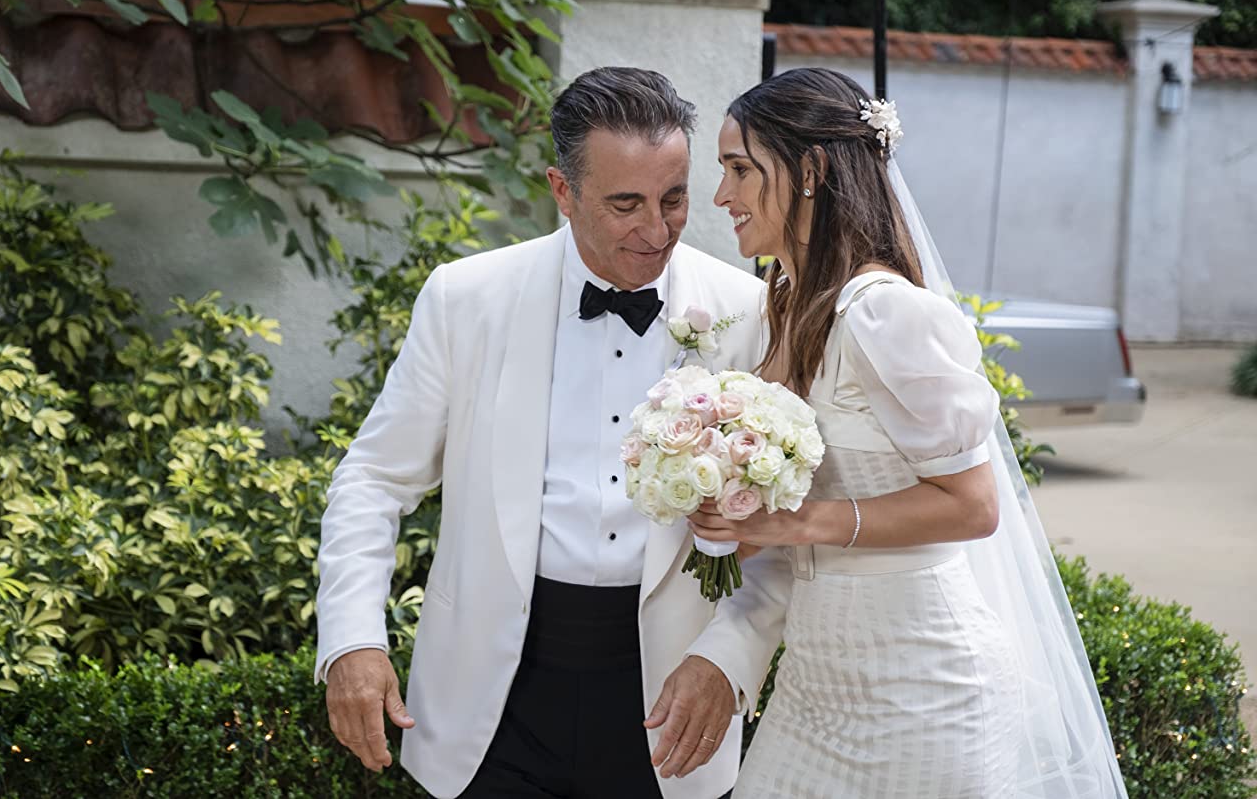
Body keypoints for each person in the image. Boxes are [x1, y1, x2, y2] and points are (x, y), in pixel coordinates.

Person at [314, 66, 768, 799]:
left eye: (674, 198)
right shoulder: (466, 298)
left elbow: (783, 530)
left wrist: (730, 659)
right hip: (491, 705)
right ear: (563, 190)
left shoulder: (748, 311)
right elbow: (374, 479)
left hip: (671, 705)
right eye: (626, 204)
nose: (657, 230)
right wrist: (353, 639)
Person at [688, 67, 1128, 798]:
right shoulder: (789, 307)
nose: (721, 196)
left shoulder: (887, 314)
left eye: (739, 169)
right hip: (815, 690)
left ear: (810, 171)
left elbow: (973, 506)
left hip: (927, 692)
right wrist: (732, 510)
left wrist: (795, 522)